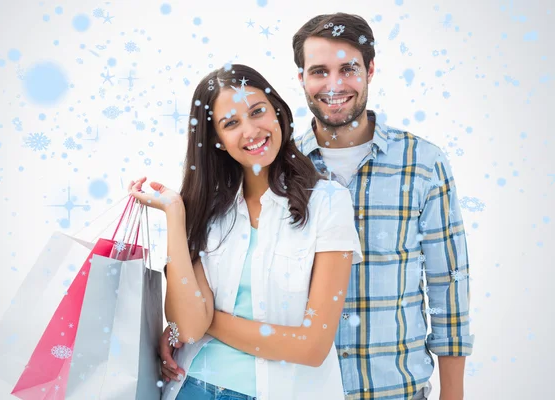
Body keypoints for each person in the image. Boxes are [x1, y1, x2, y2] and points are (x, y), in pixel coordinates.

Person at [161, 13, 474, 400]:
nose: (334, 85)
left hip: (389, 385)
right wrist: (182, 326)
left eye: (348, 68)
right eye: (319, 71)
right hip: (300, 386)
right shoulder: (273, 165)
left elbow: (449, 287)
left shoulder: (422, 164)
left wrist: (454, 395)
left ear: (371, 69)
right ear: (301, 79)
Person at [129, 63, 363, 400]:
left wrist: (209, 320)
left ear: (278, 112)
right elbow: (189, 327)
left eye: (258, 112)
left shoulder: (328, 203)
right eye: (231, 124)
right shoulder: (207, 210)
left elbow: (312, 347)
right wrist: (176, 215)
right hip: (191, 387)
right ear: (218, 141)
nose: (251, 131)